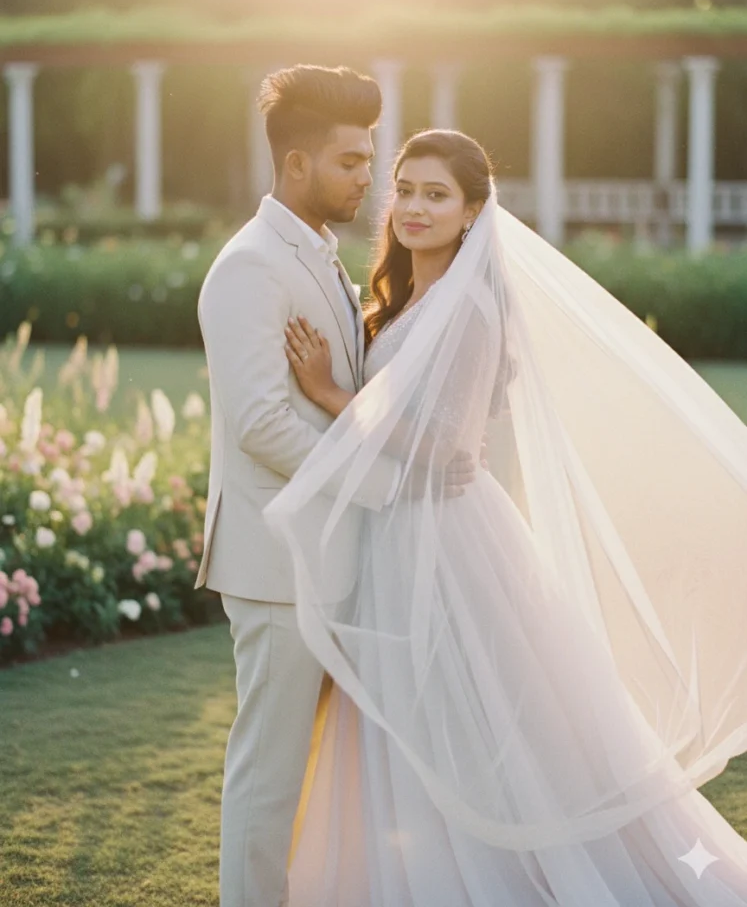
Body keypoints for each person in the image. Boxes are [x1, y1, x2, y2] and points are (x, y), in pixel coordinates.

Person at [265, 128, 747, 905]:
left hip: (449, 544)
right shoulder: (398, 302)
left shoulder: (474, 310)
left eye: (437, 195)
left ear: (471, 212)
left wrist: (328, 393)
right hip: (394, 534)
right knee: (404, 714)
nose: (415, 208)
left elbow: (445, 449)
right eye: (407, 190)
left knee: (474, 714)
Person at [194, 68, 476, 907]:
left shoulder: (315, 253)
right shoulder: (249, 267)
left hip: (334, 558)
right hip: (278, 566)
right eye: (352, 163)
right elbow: (258, 426)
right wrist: (388, 488)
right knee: (270, 774)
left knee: (326, 773)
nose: (369, 181)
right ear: (295, 166)